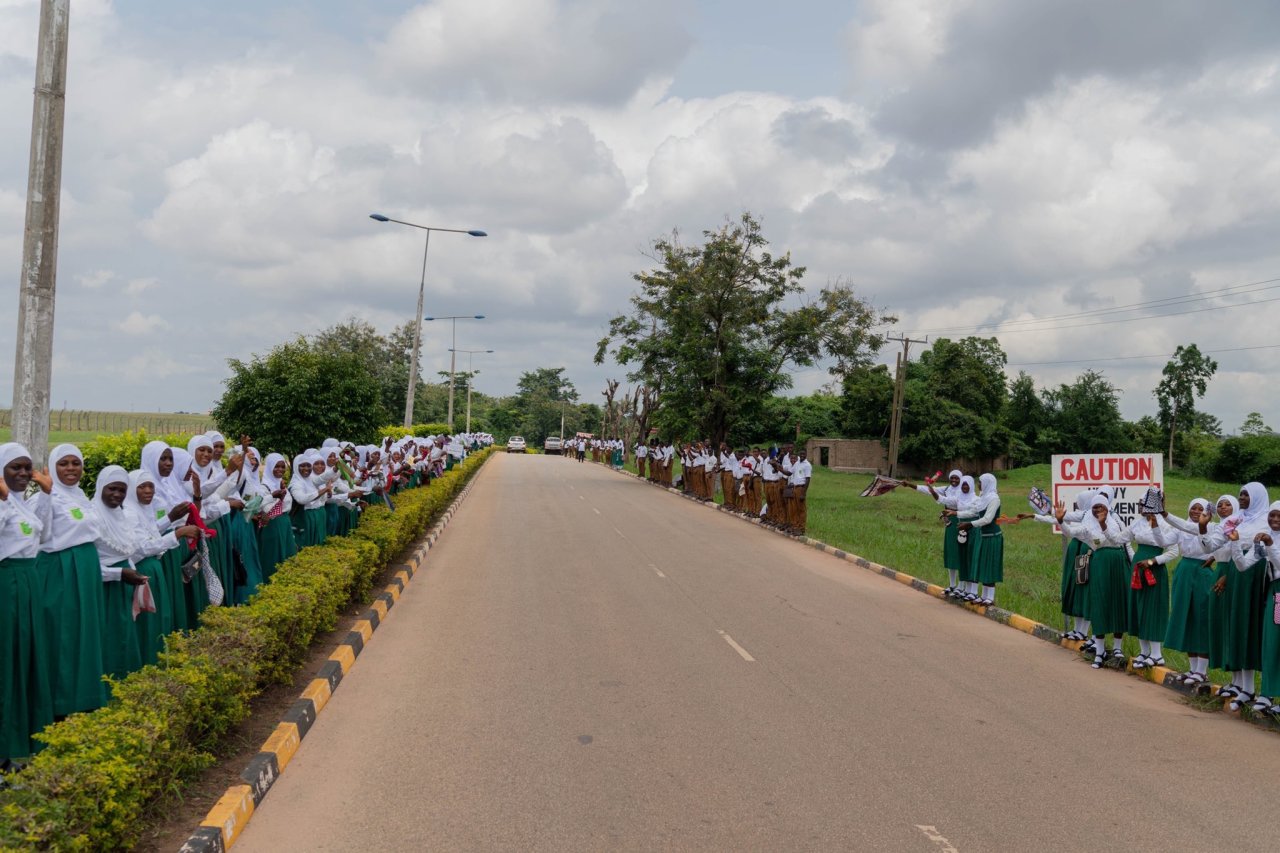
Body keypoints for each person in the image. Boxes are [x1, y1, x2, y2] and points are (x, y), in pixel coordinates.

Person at [33, 444, 109, 715]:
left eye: (75, 463)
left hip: (85, 570)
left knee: (85, 632)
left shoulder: (79, 496)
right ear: (53, 466)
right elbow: (39, 534)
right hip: (61, 571)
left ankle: (84, 697)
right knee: (63, 634)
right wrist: (45, 493)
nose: (70, 469)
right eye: (63, 463)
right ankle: (60, 703)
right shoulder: (47, 496)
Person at [0, 442, 52, 767]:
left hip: (29, 584)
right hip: (8, 585)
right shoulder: (6, 504)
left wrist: (46, 493)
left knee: (27, 658)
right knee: (8, 661)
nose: (22, 474)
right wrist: (3, 501)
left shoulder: (21, 503)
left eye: (26, 468)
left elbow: (41, 535)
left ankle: (21, 744)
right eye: (14, 468)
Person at [1203, 483, 1270, 708]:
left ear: (1258, 498)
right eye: (1240, 494)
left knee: (1250, 627)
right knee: (1237, 626)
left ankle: (1254, 689)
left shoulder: (1266, 523)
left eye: (1246, 495)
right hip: (1239, 570)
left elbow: (1263, 556)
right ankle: (1243, 686)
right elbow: (1212, 545)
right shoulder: (1238, 520)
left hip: (1257, 577)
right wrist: (1203, 528)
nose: (1241, 498)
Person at [126, 468, 199, 663]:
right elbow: (142, 548)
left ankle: (161, 659)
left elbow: (151, 532)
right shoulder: (130, 513)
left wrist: (171, 519)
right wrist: (177, 533)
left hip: (153, 568)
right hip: (143, 570)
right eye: (142, 487)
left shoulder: (142, 510)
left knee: (160, 618)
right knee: (149, 623)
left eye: (151, 486)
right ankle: (150, 662)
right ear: (132, 489)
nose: (148, 491)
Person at [89, 466, 151, 681]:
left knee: (125, 633)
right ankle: (108, 687)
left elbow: (129, 548)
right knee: (110, 635)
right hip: (106, 587)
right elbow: (88, 566)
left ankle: (128, 683)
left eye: (122, 490)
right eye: (112, 489)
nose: (117, 495)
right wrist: (118, 574)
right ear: (100, 488)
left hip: (125, 582)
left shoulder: (121, 514)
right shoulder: (92, 517)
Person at [1055, 495, 1131, 669]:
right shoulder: (1087, 525)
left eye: (1101, 507)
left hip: (1117, 562)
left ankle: (1118, 648)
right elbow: (1071, 532)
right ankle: (1099, 651)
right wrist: (1061, 521)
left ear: (1106, 507)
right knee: (1099, 604)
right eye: (1094, 507)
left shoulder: (1116, 523)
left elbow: (1119, 541)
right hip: (1099, 563)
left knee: (1117, 603)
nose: (1097, 510)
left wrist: (1132, 565)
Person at [1160, 499, 1217, 685]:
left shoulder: (1213, 527)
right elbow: (1163, 540)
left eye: (1201, 509)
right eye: (1194, 507)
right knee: (1186, 616)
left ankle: (1202, 671)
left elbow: (1226, 545)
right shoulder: (1181, 527)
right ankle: (1193, 669)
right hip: (1184, 570)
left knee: (1201, 618)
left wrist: (1215, 556)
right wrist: (1155, 524)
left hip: (1202, 572)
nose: (1196, 511)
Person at [1124, 506, 1178, 670]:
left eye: (1145, 504)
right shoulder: (1136, 523)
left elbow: (1173, 551)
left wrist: (1152, 561)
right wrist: (1104, 524)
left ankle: (1157, 654)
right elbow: (1119, 538)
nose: (1141, 507)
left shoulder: (1166, 524)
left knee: (1152, 609)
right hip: (1137, 567)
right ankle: (1144, 651)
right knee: (1138, 606)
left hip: (1153, 569)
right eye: (1140, 504)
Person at [903, 471, 965, 597]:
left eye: (956, 478)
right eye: (951, 477)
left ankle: (961, 586)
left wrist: (936, 495)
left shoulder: (964, 490)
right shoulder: (947, 488)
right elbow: (928, 490)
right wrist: (910, 485)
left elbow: (952, 502)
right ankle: (952, 585)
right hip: (950, 522)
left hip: (962, 521)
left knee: (960, 553)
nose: (954, 480)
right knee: (951, 553)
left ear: (961, 479)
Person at [959, 473, 1003, 606]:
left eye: (980, 482)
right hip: (983, 536)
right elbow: (973, 512)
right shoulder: (983, 498)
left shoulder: (994, 499)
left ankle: (990, 596)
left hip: (993, 537)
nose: (978, 484)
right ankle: (983, 595)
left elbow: (987, 519)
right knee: (983, 564)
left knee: (991, 565)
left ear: (988, 483)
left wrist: (970, 524)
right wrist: (956, 513)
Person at [257, 453, 297, 579]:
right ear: (269, 467)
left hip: (284, 522)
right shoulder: (263, 487)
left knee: (287, 554)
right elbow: (264, 508)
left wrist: (280, 498)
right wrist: (276, 498)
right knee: (273, 556)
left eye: (282, 466)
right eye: (276, 466)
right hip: (272, 525)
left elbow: (288, 505)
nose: (280, 469)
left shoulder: (281, 484)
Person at [785, 449, 813, 535]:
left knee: (801, 509)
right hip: (794, 488)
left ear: (806, 455)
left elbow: (808, 479)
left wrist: (803, 493)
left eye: (804, 454)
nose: (802, 455)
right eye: (801, 454)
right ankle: (795, 526)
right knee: (794, 508)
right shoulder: (797, 463)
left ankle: (801, 528)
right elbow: (789, 473)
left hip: (801, 488)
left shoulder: (807, 465)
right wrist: (778, 468)